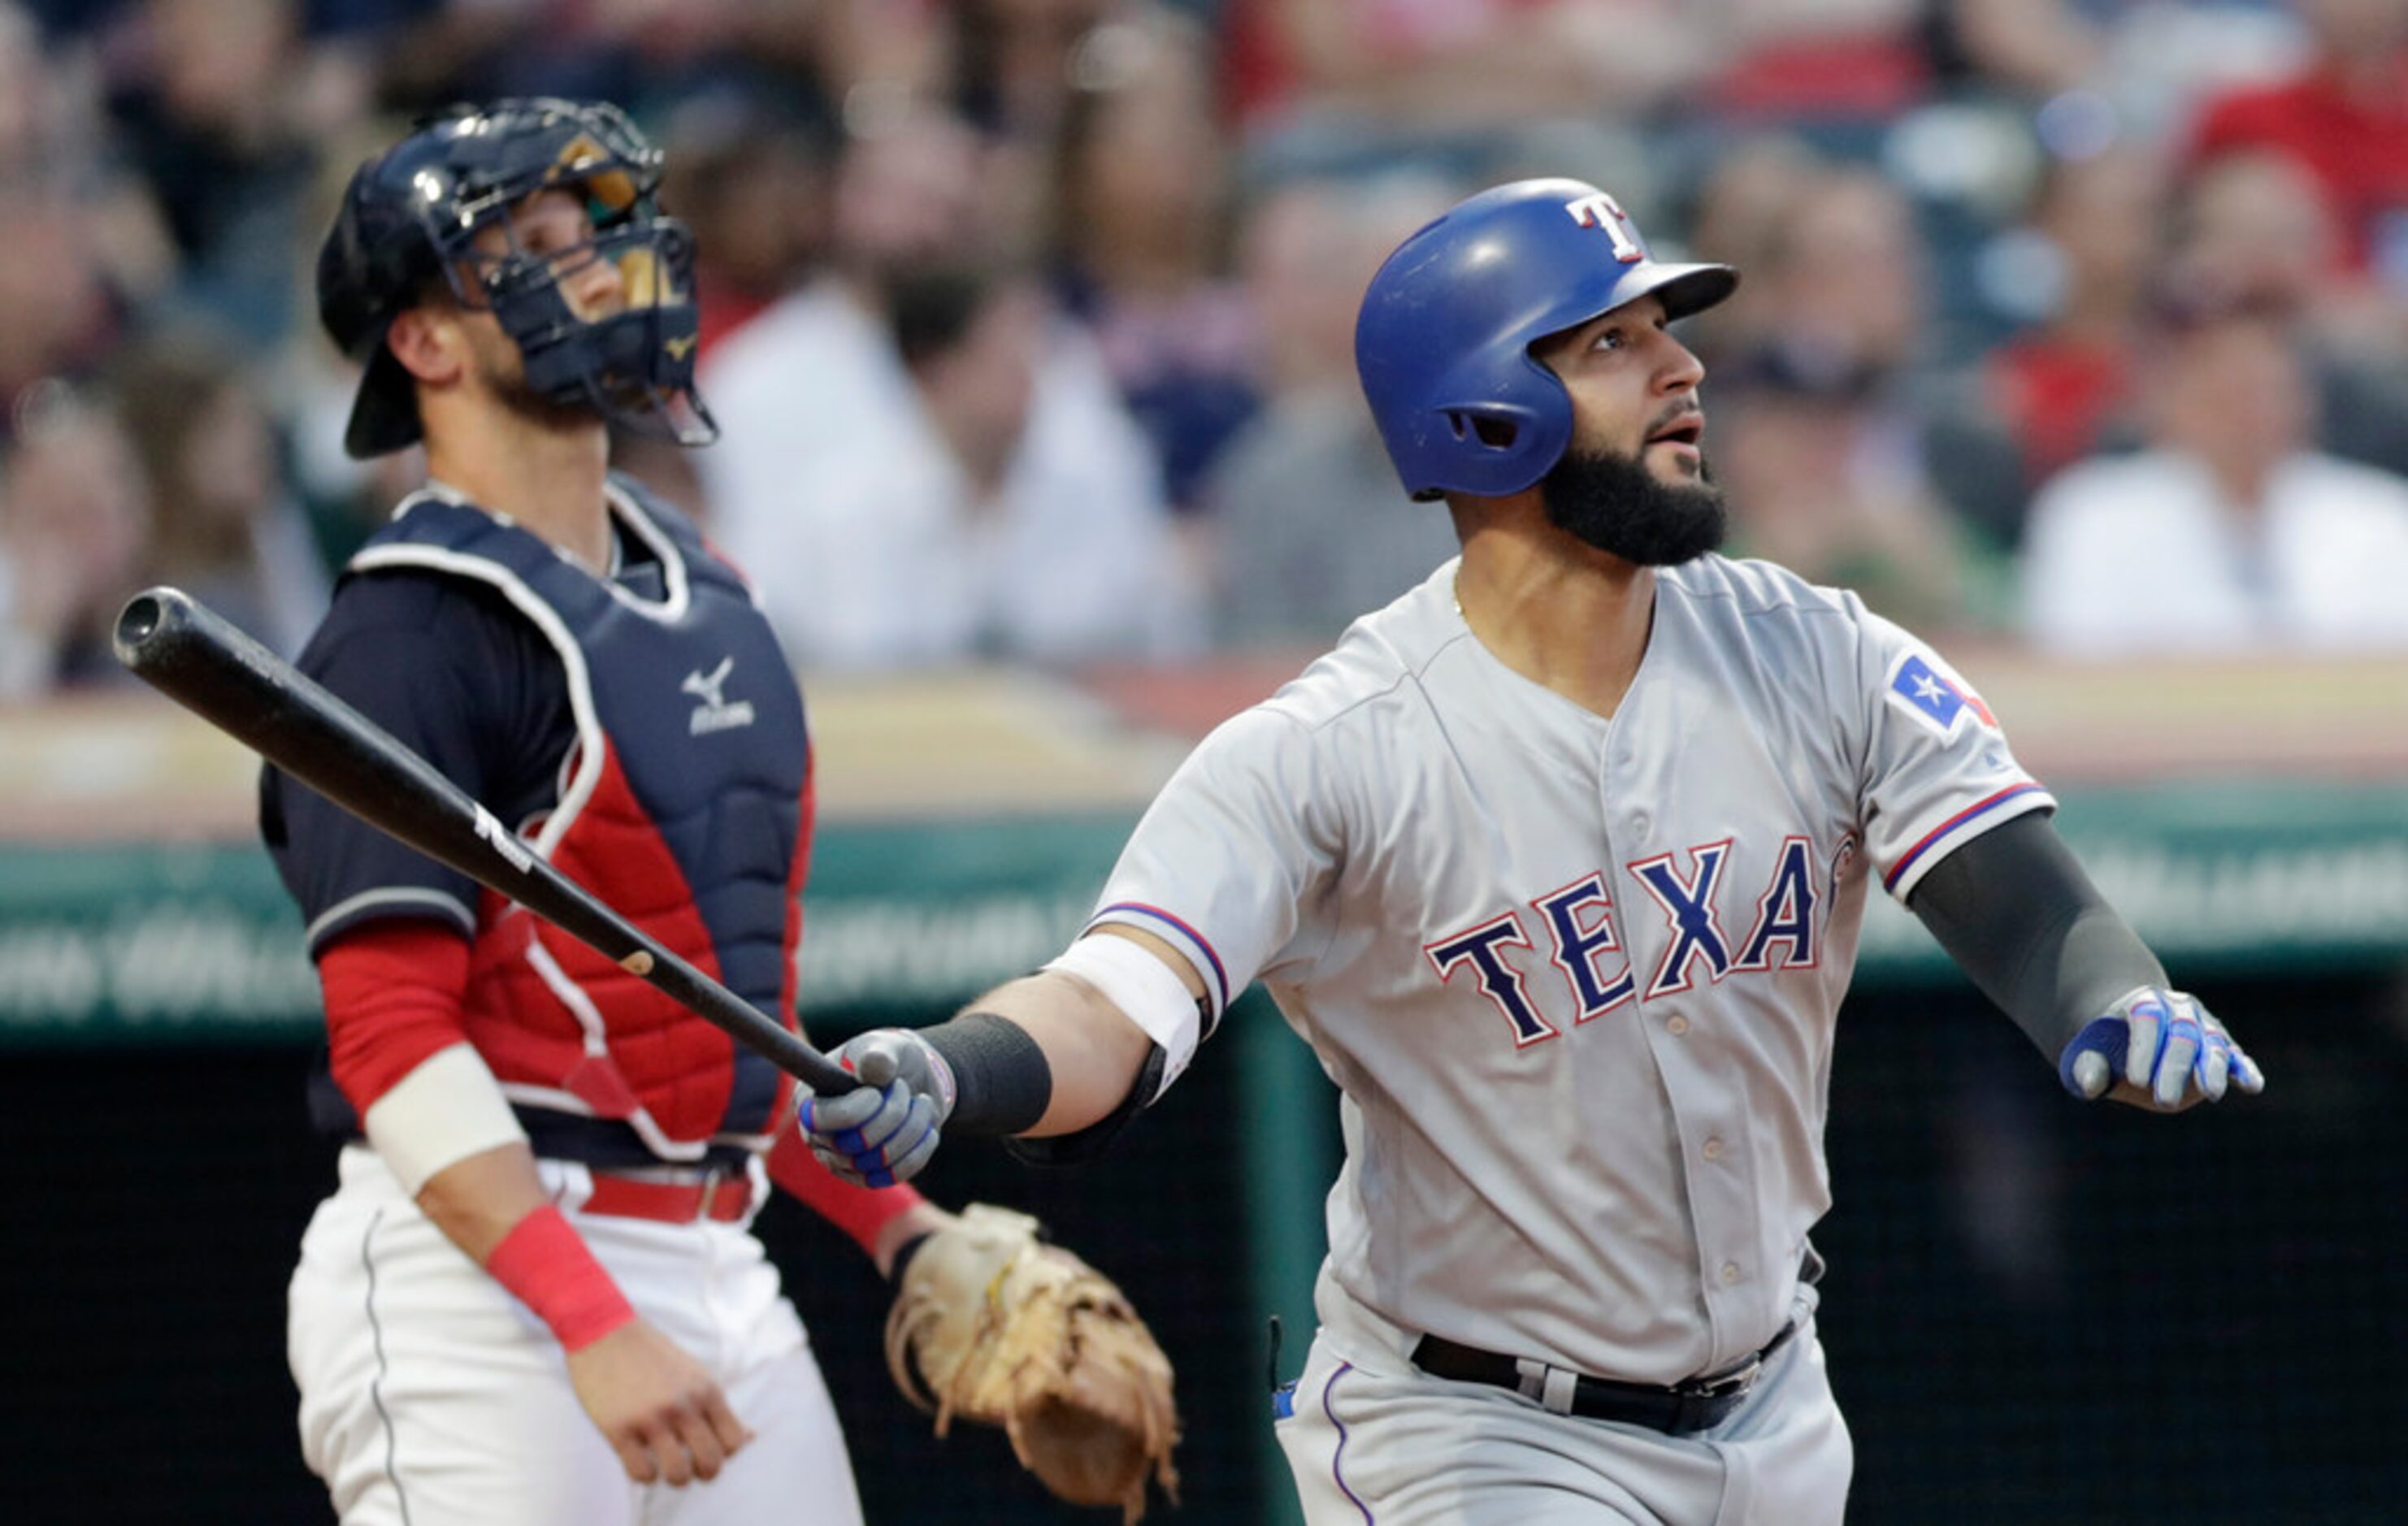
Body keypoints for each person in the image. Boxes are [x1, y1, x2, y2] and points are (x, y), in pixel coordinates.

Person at [796, 179, 2267, 1524]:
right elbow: (1114, 1004)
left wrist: (2112, 997)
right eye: (1615, 343)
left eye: (1664, 333)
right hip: (1479, 1435)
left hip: (1780, 1409)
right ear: (1483, 409)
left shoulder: (1814, 647)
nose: (1686, 370)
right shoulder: (1329, 746)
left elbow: (2005, 878)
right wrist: (951, 1063)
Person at [268, 98, 960, 1525]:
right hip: (481, 1281)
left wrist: (912, 1237)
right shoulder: (410, 631)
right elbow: (392, 1038)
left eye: (588, 239)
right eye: (526, 249)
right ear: (426, 341)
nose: (589, 271)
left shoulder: (700, 586)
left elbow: (693, 1022)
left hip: (717, 1257)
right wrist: (586, 1317)